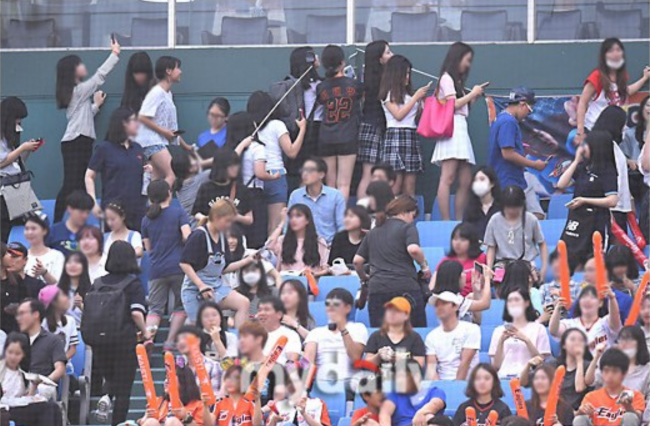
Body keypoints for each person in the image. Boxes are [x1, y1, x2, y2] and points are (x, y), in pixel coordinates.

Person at [54, 39, 121, 222]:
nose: (83, 66)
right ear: (73, 71)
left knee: (80, 185)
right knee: (71, 185)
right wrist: (114, 54)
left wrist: (96, 105)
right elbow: (99, 77)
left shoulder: (78, 94)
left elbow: (84, 116)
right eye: (79, 64)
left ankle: (77, 222)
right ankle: (57, 222)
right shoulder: (78, 91)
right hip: (75, 142)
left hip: (80, 141)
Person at [90, 241, 149, 425]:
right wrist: (146, 332)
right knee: (124, 389)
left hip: (99, 341)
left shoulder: (97, 283)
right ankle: (118, 422)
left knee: (110, 376)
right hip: (124, 340)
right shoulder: (133, 284)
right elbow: (136, 313)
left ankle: (106, 395)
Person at [355, 196, 430, 327]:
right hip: (405, 287)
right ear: (406, 212)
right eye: (413, 216)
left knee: (381, 334)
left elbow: (357, 261)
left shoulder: (373, 233)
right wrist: (424, 267)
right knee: (414, 331)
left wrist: (364, 278)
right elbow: (413, 249)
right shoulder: (407, 228)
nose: (412, 220)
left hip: (377, 289)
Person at [180, 199, 256, 327]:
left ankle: (241, 338)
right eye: (227, 221)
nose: (229, 225)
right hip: (195, 289)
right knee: (202, 328)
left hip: (216, 287)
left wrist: (247, 260)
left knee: (243, 303)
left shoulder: (222, 237)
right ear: (216, 217)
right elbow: (184, 263)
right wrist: (201, 285)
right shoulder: (199, 235)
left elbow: (224, 268)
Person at [431, 42, 485, 220]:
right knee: (448, 177)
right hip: (452, 128)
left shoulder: (457, 81)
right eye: (467, 60)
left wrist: (474, 97)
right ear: (458, 58)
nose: (468, 64)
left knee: (465, 180)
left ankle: (460, 220)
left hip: (460, 127)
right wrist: (473, 93)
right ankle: (446, 221)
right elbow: (452, 106)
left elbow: (462, 109)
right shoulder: (446, 78)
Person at [141, 179, 192, 351]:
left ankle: (148, 338)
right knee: (181, 305)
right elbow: (187, 236)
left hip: (156, 269)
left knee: (155, 308)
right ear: (169, 194)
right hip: (178, 267)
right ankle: (169, 342)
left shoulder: (146, 220)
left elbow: (148, 248)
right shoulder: (178, 213)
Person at [246, 90, 306, 233]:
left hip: (255, 177)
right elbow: (291, 152)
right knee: (275, 227)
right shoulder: (277, 125)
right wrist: (303, 128)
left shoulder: (248, 126)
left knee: (256, 226)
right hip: (276, 175)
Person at [558, 131, 619, 264]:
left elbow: (612, 200)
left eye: (586, 144)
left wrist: (584, 200)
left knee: (594, 261)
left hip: (596, 221)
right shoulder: (583, 168)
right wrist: (575, 161)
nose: (582, 147)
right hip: (576, 220)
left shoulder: (607, 171)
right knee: (568, 258)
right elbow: (561, 184)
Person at [575, 38, 650, 145]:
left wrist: (644, 78)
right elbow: (582, 102)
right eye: (610, 51)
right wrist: (580, 132)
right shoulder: (597, 76)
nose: (615, 54)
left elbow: (626, 92)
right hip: (595, 131)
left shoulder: (622, 75)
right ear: (604, 55)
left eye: (618, 50)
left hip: (616, 132)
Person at [487, 87, 546, 217]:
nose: (527, 114)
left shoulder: (501, 119)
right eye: (529, 110)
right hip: (507, 180)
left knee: (534, 215)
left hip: (510, 179)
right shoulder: (508, 122)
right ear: (522, 104)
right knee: (516, 219)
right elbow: (507, 153)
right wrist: (534, 165)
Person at [85, 106, 148, 230]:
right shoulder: (105, 148)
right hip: (113, 210)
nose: (137, 124)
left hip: (137, 209)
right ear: (124, 123)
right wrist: (93, 202)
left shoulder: (137, 148)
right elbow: (89, 176)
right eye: (134, 120)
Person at [316, 44, 363, 200]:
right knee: (344, 184)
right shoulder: (354, 85)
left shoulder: (321, 87)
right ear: (342, 63)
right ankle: (341, 214)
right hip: (348, 136)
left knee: (329, 183)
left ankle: (330, 213)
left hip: (326, 136)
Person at [379, 54, 427, 196]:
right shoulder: (389, 94)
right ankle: (390, 210)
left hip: (411, 135)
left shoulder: (408, 95)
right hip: (395, 135)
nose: (407, 77)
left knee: (410, 185)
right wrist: (416, 98)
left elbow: (413, 117)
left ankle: (408, 209)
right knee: (395, 184)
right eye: (405, 74)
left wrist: (421, 105)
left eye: (408, 74)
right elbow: (398, 115)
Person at [136, 56, 189, 188]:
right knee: (172, 174)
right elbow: (142, 117)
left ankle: (153, 200)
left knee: (157, 179)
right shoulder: (157, 93)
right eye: (177, 68)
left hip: (156, 141)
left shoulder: (167, 94)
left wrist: (186, 147)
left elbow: (171, 129)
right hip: (152, 141)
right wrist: (164, 132)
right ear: (168, 71)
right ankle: (161, 199)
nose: (180, 71)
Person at [305, 288, 367, 390]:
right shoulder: (315, 332)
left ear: (348, 308)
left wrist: (342, 329)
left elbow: (355, 358)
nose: (331, 308)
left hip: (350, 385)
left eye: (336, 304)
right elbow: (308, 362)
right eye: (328, 304)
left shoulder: (358, 328)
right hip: (322, 385)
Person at [485, 186, 548, 281]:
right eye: (508, 207)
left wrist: (544, 268)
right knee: (498, 280)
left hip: (526, 262)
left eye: (515, 207)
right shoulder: (495, 220)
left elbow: (542, 243)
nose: (511, 211)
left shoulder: (531, 219)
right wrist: (489, 268)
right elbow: (491, 247)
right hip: (502, 263)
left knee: (532, 279)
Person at [0, 332, 64, 426]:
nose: (13, 357)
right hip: (5, 409)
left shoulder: (22, 374)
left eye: (17, 354)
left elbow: (25, 396)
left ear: (23, 355)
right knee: (45, 410)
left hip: (18, 408)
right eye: (10, 352)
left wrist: (34, 386)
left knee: (52, 407)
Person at [489, 286, 551, 379]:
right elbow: (496, 367)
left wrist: (526, 340)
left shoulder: (538, 328)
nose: (513, 303)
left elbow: (540, 363)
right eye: (510, 301)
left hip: (529, 378)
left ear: (527, 303)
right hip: (503, 377)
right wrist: (501, 342)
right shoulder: (498, 331)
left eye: (517, 300)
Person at [0, 97, 40, 242]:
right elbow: (1, 162)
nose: (19, 122)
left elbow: (16, 162)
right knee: (3, 228)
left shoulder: (9, 137)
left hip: (15, 189)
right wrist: (22, 148)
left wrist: (27, 150)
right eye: (18, 118)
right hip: (3, 191)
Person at [357, 40, 393, 198]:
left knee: (369, 173)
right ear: (379, 58)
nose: (391, 55)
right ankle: (364, 208)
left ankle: (367, 208)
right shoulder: (381, 80)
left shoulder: (368, 78)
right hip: (374, 125)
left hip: (370, 125)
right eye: (388, 52)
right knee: (369, 173)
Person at [574, 348, 645, 426]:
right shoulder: (591, 397)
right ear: (601, 372)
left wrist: (628, 407)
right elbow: (579, 418)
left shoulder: (635, 395)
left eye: (615, 371)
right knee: (579, 418)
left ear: (624, 374)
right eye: (606, 371)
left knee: (630, 416)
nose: (610, 375)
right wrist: (580, 411)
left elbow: (637, 419)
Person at [15, 299, 66, 400]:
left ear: (35, 314)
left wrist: (44, 381)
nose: (18, 318)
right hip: (19, 387)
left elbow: (60, 369)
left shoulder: (53, 340)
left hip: (42, 389)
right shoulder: (16, 341)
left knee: (43, 390)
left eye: (22, 313)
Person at [288, 157, 346, 244]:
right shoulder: (296, 195)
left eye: (310, 170)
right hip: (303, 245)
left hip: (329, 245)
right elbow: (288, 223)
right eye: (303, 170)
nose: (305, 174)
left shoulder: (335, 195)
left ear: (321, 175)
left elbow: (342, 226)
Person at [425, 290, 481, 380]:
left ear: (455, 307)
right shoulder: (431, 336)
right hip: (442, 383)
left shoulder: (471, 329)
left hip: (468, 383)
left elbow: (465, 362)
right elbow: (431, 368)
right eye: (437, 305)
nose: (439, 307)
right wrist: (439, 387)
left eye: (444, 304)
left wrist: (455, 387)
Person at [591, 106, 630, 235]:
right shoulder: (603, 145)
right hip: (611, 208)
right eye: (622, 124)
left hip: (619, 206)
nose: (624, 128)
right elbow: (607, 176)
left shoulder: (613, 145)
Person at [550, 285, 622, 354]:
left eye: (592, 297)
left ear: (600, 303)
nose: (587, 300)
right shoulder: (570, 324)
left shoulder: (605, 323)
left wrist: (612, 298)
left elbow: (615, 317)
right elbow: (554, 331)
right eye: (584, 297)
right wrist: (557, 309)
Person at [586, 326, 650, 400]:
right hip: (604, 405)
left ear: (639, 343)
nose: (624, 343)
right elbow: (589, 381)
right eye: (621, 339)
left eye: (629, 339)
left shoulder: (647, 370)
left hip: (634, 406)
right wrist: (597, 356)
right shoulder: (610, 362)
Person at [193, 149, 253, 226]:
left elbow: (249, 219)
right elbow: (196, 212)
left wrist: (236, 217)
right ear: (222, 167)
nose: (236, 168)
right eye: (231, 165)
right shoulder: (206, 188)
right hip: (213, 230)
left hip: (234, 231)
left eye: (236, 164)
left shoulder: (241, 189)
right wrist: (207, 219)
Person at [379, 359, 446, 426]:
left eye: (402, 376)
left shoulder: (434, 392)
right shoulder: (393, 395)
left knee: (429, 417)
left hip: (428, 424)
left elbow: (435, 404)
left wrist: (421, 413)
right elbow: (385, 415)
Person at [268, 204, 329, 275]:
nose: (293, 220)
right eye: (291, 217)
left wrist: (313, 274)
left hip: (311, 280)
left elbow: (325, 268)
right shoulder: (282, 240)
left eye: (298, 216)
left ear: (307, 220)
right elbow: (269, 246)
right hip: (287, 279)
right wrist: (282, 223)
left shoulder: (319, 242)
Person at [365, 297, 425, 368]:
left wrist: (401, 360)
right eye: (389, 310)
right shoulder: (376, 336)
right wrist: (378, 356)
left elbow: (418, 367)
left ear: (406, 315)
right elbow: (367, 365)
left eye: (397, 311)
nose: (392, 313)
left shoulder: (415, 338)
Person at [434, 223, 486, 297]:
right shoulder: (446, 262)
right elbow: (433, 285)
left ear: (471, 242)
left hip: (477, 298)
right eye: (455, 239)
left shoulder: (482, 258)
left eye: (463, 240)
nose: (457, 243)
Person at [237, 320, 276, 406]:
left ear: (259, 339)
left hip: (266, 412)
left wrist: (262, 411)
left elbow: (280, 400)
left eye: (245, 336)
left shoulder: (274, 367)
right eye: (240, 337)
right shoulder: (237, 367)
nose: (241, 341)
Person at [39, 285, 78, 369]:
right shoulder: (42, 323)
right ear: (54, 302)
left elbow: (72, 349)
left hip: (65, 368)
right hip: (45, 368)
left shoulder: (70, 321)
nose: (67, 298)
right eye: (63, 295)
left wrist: (60, 361)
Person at [256, 296, 302, 365]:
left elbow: (291, 363)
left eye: (266, 310)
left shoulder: (290, 335)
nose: (261, 313)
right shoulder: (252, 334)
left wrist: (268, 362)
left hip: (278, 370)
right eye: (259, 310)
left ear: (279, 315)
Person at [47, 190, 94, 256]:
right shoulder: (53, 231)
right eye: (81, 212)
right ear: (69, 209)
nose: (85, 216)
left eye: (88, 213)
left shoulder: (92, 233)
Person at [172, 150, 211, 228]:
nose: (196, 161)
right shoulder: (202, 178)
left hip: (190, 227)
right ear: (189, 168)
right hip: (201, 226)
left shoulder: (179, 186)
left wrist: (195, 152)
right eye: (192, 159)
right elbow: (222, 162)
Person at [539, 250, 582, 322]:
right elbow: (538, 310)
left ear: (570, 266)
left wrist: (565, 298)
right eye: (554, 262)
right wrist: (554, 306)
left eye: (560, 262)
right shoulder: (544, 288)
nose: (556, 265)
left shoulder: (578, 288)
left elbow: (582, 310)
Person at [23, 213, 64, 285]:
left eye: (33, 229)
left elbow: (58, 284)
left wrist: (44, 273)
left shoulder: (57, 256)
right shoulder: (22, 256)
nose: (29, 232)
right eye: (27, 229)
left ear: (44, 231)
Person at [621, 95, 648, 202]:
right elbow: (621, 156)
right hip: (637, 179)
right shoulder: (630, 133)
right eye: (648, 105)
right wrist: (629, 161)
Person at [462, 167, 501, 238]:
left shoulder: (501, 207)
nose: (478, 183)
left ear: (492, 184)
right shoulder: (469, 209)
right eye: (475, 180)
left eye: (482, 179)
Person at [57, 251, 92, 327]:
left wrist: (81, 306)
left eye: (77, 262)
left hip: (83, 330)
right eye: (69, 262)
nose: (72, 265)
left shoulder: (92, 290)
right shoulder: (57, 290)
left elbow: (95, 316)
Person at [605, 245, 636, 323]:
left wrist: (633, 289)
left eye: (622, 265)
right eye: (615, 266)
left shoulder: (642, 281)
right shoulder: (605, 283)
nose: (619, 270)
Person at [1, 243, 28, 333]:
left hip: (15, 328)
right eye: (6, 254)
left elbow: (25, 299)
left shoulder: (16, 278)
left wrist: (18, 307)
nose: (10, 256)